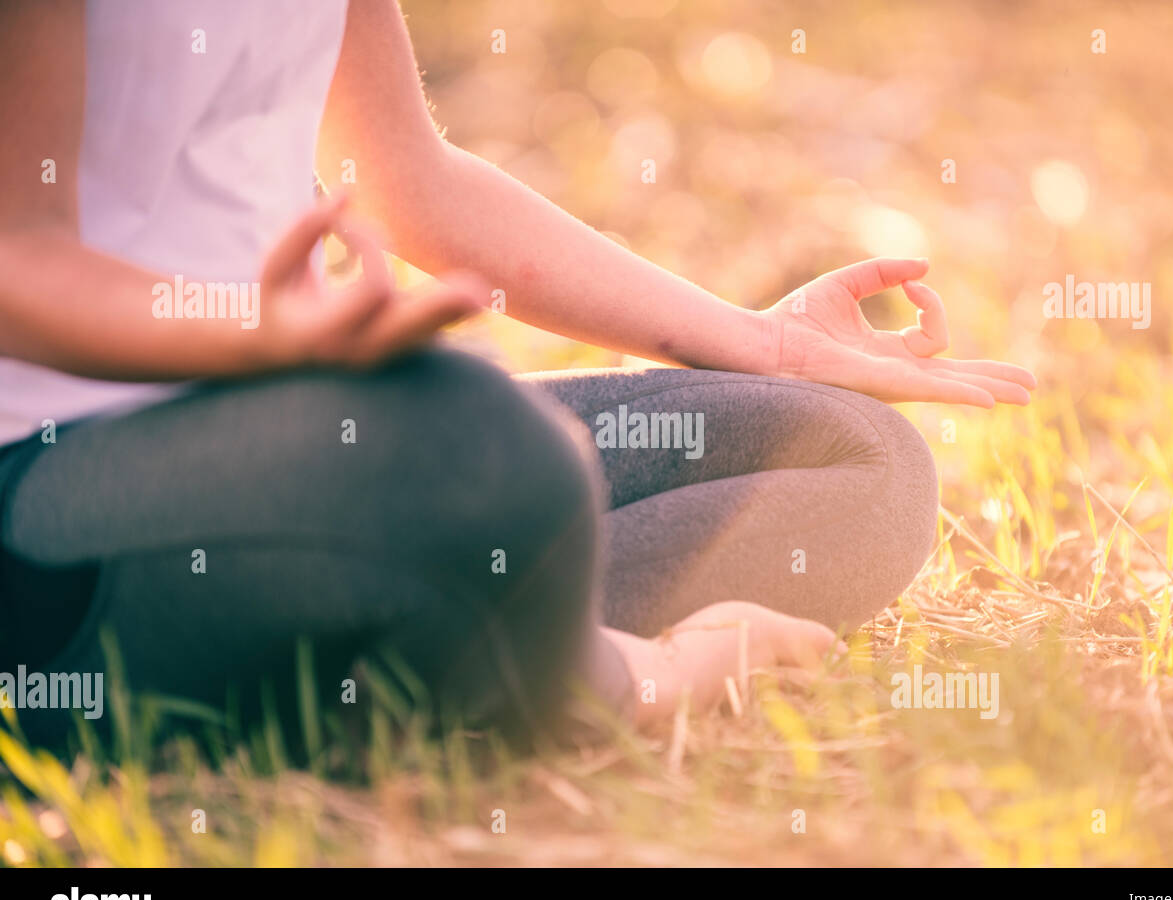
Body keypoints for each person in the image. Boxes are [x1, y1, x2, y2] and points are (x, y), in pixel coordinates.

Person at [0, 0, 1034, 745]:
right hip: (64, 505)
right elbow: (16, 257)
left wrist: (757, 346)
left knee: (855, 457)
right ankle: (636, 675)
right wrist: (254, 336)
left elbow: (414, 183)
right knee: (482, 449)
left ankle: (446, 635)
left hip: (315, 442)